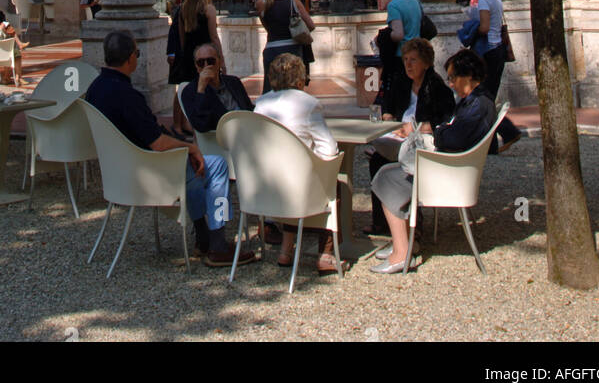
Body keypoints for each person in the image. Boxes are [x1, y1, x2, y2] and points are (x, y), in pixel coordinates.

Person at [86, 29, 256, 268]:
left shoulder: (95, 89)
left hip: (120, 171)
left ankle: (205, 238)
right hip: (147, 170)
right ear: (129, 59)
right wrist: (190, 148)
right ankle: (218, 244)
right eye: (137, 52)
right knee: (216, 166)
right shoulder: (127, 95)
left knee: (198, 173)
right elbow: (158, 142)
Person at [369, 47, 496, 274]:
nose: (451, 83)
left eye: (453, 77)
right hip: (450, 166)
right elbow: (450, 128)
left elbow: (452, 136)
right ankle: (405, 243)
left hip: (448, 173)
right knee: (385, 167)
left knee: (386, 176)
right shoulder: (476, 101)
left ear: (467, 76)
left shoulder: (477, 105)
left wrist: (433, 132)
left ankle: (401, 253)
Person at [253, 52, 344, 274]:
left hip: (265, 188)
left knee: (297, 173)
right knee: (332, 184)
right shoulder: (308, 104)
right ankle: (326, 254)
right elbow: (329, 149)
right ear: (300, 79)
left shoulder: (261, 103)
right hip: (295, 190)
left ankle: (286, 252)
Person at [363, 37, 455, 238]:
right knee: (376, 160)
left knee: (399, 167)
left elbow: (444, 120)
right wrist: (388, 117)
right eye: (405, 59)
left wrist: (416, 128)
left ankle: (414, 222)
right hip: (398, 138)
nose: (408, 64)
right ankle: (381, 221)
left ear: (426, 62)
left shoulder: (437, 87)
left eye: (413, 60)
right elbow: (388, 105)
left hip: (420, 145)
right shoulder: (401, 81)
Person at [470, 0, 523, 152]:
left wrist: (469, 30)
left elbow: (484, 27)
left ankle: (507, 131)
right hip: (498, 49)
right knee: (487, 97)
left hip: (488, 50)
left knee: (483, 97)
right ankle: (491, 143)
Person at [256, 0, 314, 93]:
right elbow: (311, 25)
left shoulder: (261, 4)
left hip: (272, 49)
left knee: (270, 90)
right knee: (295, 89)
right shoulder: (293, 2)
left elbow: (266, 26)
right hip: (293, 49)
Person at [180, 43, 253, 134]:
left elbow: (249, 108)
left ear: (219, 61)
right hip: (222, 138)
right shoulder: (190, 91)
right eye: (201, 63)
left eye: (211, 61)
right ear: (196, 66)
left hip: (247, 130)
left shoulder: (233, 81)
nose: (207, 66)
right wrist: (201, 90)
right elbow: (201, 125)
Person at [171, 0, 225, 84]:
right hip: (206, 57)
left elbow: (182, 40)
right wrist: (221, 61)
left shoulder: (182, 10)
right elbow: (214, 37)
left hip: (189, 57)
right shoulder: (209, 9)